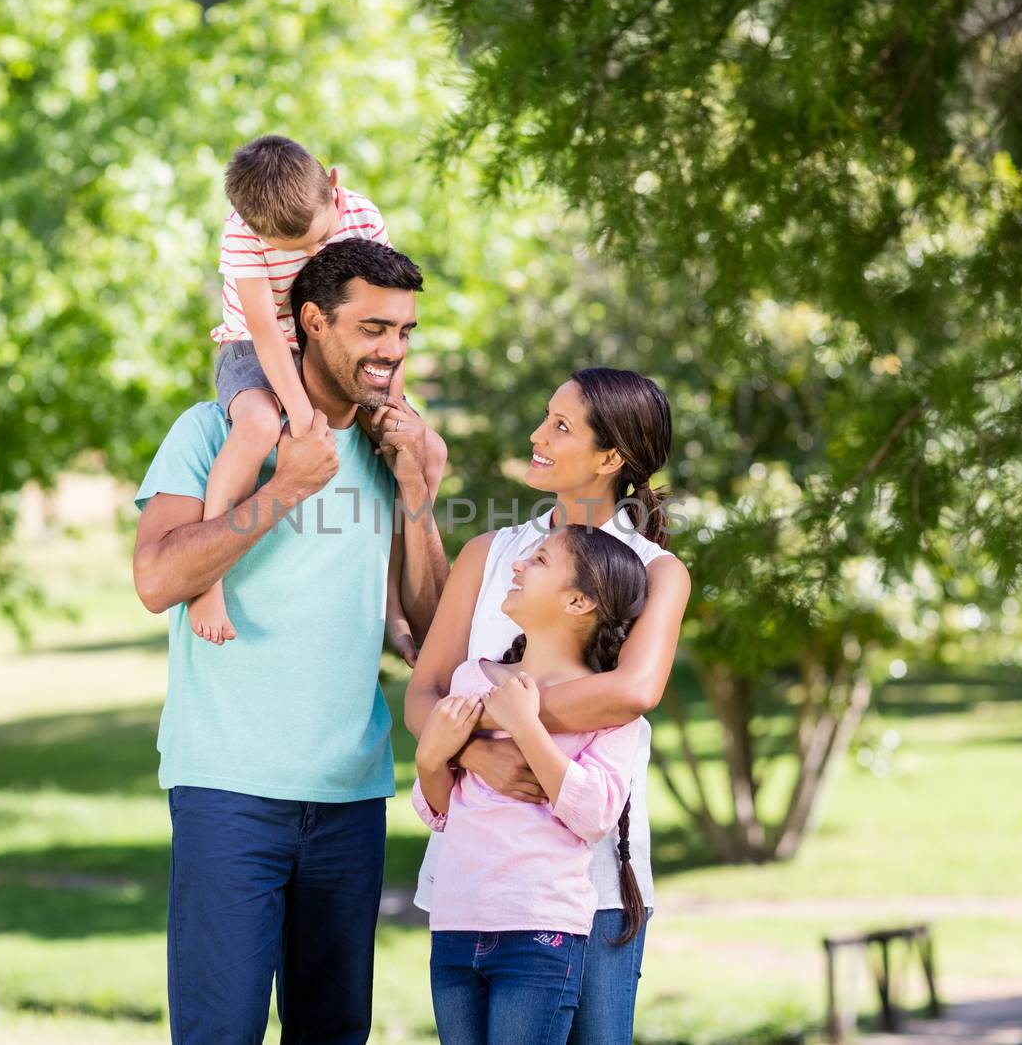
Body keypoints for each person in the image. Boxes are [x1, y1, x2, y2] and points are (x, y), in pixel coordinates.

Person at [132, 238, 450, 1045]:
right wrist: (283, 488)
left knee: (335, 1031)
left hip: (350, 792)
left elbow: (433, 625)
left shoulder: (391, 449)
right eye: (374, 327)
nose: (393, 350)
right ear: (310, 321)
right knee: (221, 1031)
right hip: (229, 789)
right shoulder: (212, 431)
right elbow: (158, 579)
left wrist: (415, 497)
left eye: (406, 331)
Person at [405, 368, 691, 1044]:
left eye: (561, 426)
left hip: (591, 888)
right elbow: (424, 692)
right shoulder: (491, 556)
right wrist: (474, 752)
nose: (537, 436)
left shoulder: (655, 569)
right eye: (545, 416)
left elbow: (632, 691)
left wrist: (495, 713)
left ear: (610, 456)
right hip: (477, 880)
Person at [193, 135, 446, 653]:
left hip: (334, 348)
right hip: (254, 348)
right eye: (293, 250)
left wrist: (392, 401)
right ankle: (205, 584)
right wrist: (304, 416)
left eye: (316, 237)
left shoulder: (363, 215)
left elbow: (390, 309)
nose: (311, 253)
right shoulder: (241, 232)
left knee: (426, 449)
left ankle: (389, 600)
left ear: (332, 186)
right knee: (261, 427)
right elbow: (263, 327)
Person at [414, 525, 650, 1045]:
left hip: (539, 931)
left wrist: (526, 725)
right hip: (454, 924)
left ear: (580, 602)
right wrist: (431, 758)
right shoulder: (471, 682)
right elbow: (439, 809)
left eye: (539, 561)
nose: (517, 566)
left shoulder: (607, 709)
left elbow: (593, 815)